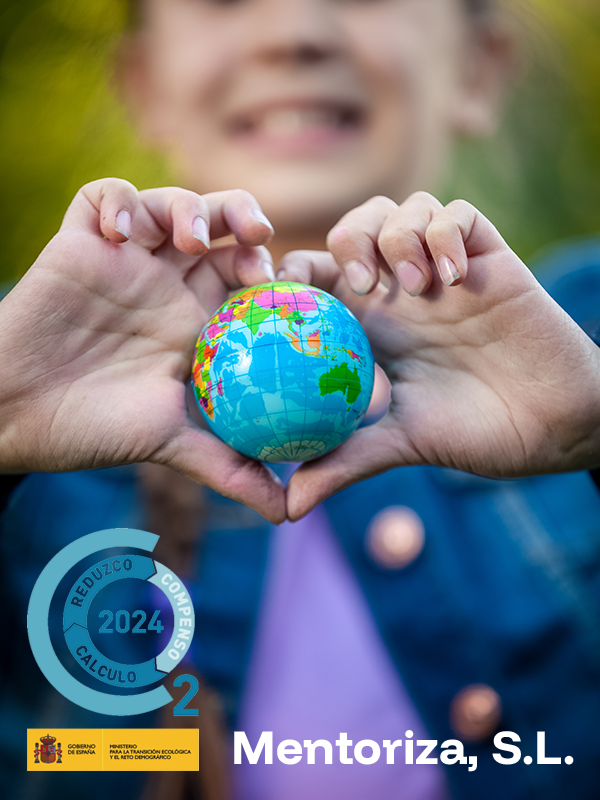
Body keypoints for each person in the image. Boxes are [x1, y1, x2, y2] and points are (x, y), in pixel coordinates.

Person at [2, 1, 600, 799]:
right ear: (143, 83)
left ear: (478, 68)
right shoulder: (24, 360)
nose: (294, 32)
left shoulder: (583, 344)